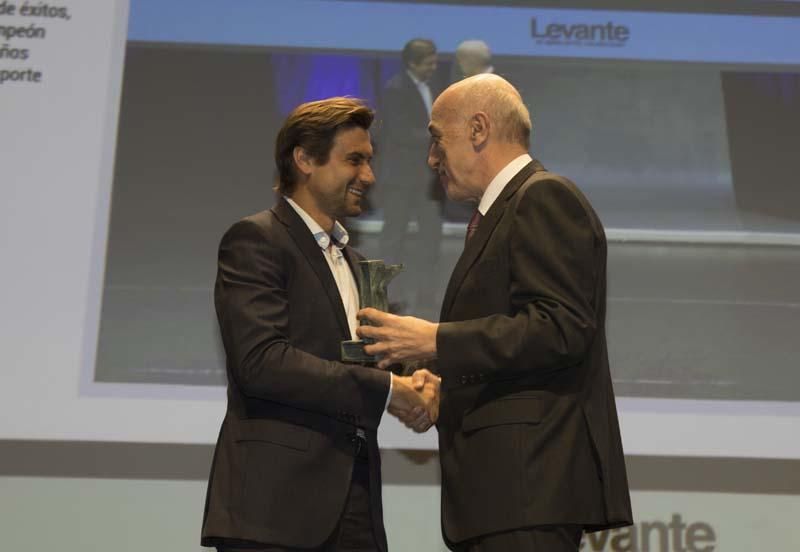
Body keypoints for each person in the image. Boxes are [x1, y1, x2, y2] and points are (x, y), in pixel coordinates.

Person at [357, 75, 633, 551]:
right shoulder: (503, 210)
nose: (431, 158)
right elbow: (519, 345)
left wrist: (435, 340)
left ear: (479, 129)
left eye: (437, 139)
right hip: (505, 495)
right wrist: (443, 389)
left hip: (528, 489)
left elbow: (562, 328)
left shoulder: (544, 197)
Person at [201, 97, 439, 552]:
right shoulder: (256, 240)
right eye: (354, 160)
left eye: (369, 161)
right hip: (273, 513)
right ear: (305, 158)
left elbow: (354, 361)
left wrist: (417, 382)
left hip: (354, 507)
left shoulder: (353, 261)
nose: (368, 176)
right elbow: (262, 363)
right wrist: (390, 391)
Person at [376, 38, 443, 316]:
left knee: (431, 238)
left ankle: (427, 297)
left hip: (427, 179)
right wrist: (439, 136)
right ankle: (388, 297)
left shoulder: (433, 87)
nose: (434, 66)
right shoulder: (395, 89)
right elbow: (400, 132)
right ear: (412, 63)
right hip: (402, 178)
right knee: (394, 238)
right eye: (429, 62)